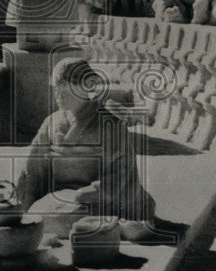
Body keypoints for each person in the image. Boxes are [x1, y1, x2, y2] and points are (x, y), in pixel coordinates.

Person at [16, 57, 156, 224]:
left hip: (96, 197)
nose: (58, 95)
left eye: (66, 89)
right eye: (56, 88)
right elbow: (33, 164)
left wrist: (91, 192)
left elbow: (122, 170)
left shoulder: (109, 124)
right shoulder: (51, 122)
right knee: (39, 214)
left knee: (75, 220)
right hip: (56, 195)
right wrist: (26, 193)